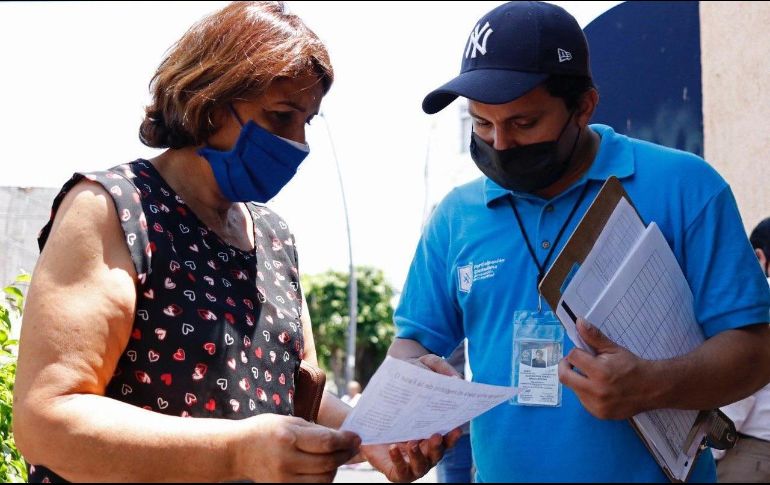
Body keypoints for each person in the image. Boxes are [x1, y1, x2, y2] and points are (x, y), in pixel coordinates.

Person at [11, 2, 456, 483]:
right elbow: (46, 422)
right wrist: (236, 452)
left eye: (308, 121)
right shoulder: (112, 210)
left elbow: (293, 396)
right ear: (208, 99)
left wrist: (374, 435)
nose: (299, 142)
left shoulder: (274, 236)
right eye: (282, 116)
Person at [387, 1, 770, 482]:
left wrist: (653, 385)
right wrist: (415, 389)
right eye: (482, 123)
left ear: (584, 107)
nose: (499, 145)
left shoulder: (686, 187)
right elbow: (411, 343)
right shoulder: (455, 216)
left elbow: (756, 353)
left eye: (524, 123)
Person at [714, 217, 770, 482]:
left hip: (751, 454)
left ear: (758, 256)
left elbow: (740, 385)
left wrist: (708, 450)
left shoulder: (760, 303)